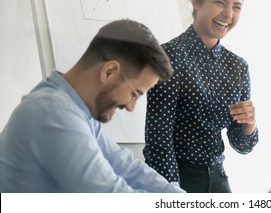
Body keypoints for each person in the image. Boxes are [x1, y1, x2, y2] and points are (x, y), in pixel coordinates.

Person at [0, 19, 185, 193]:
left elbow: (124, 166)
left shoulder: (77, 111)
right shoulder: (52, 112)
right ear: (109, 71)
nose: (131, 107)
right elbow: (109, 195)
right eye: (134, 94)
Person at [143, 0, 259, 193]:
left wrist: (250, 122)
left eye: (236, 7)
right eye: (220, 2)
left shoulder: (237, 66)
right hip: (177, 179)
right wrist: (173, 193)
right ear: (196, 1)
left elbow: (241, 144)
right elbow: (159, 141)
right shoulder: (167, 57)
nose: (228, 14)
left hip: (218, 179)